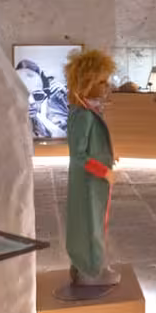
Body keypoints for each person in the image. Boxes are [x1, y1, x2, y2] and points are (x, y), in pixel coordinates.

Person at [63, 49, 121, 292]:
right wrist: (103, 171)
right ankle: (91, 270)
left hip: (92, 182)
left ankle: (90, 267)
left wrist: (109, 157)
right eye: (100, 81)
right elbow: (78, 155)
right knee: (90, 225)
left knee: (93, 222)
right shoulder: (83, 116)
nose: (105, 85)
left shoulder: (85, 112)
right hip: (89, 182)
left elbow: (90, 146)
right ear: (87, 83)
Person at [17, 58, 68, 139]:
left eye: (37, 96)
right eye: (23, 95)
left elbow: (63, 137)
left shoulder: (55, 93)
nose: (31, 101)